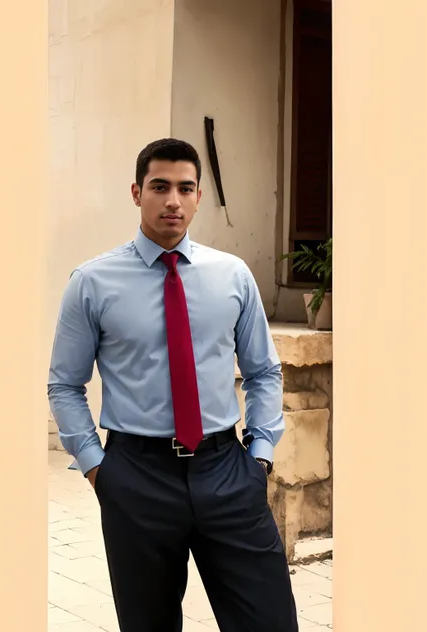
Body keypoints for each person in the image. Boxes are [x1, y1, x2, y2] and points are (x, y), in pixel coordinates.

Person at [48, 138, 299, 632]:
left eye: (186, 188)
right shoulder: (92, 282)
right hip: (136, 477)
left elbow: (264, 371)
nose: (173, 201)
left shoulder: (233, 276)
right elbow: (64, 385)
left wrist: (261, 454)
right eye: (160, 187)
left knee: (268, 619)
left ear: (199, 196)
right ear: (137, 192)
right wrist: (100, 470)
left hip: (227, 469)